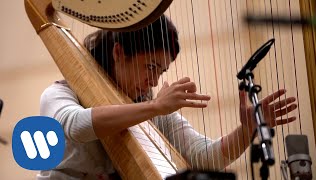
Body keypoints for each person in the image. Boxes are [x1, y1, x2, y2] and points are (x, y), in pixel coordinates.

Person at [37, 15, 297, 179]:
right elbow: (74, 126)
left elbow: (205, 156)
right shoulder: (60, 93)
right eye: (150, 66)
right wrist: (156, 106)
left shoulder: (149, 109)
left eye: (161, 71)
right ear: (119, 53)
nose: (155, 80)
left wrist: (246, 130)